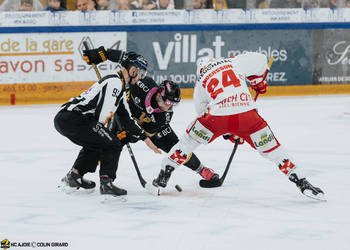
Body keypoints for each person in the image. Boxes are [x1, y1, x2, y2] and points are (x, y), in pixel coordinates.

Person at [152, 52, 325, 201]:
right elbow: (261, 59)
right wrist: (256, 82)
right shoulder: (233, 61)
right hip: (247, 115)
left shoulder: (201, 80)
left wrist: (226, 131)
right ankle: (301, 181)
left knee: (187, 142)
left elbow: (201, 112)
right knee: (273, 150)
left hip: (216, 116)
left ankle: (164, 173)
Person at [82, 46, 221, 184]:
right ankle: (79, 173)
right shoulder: (143, 83)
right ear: (160, 92)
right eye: (167, 101)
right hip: (123, 113)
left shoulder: (164, 116)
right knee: (103, 140)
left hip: (146, 129)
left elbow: (144, 133)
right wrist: (104, 54)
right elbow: (128, 60)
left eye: (172, 104)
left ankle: (202, 170)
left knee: (177, 148)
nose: (168, 106)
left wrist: (128, 136)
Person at [54, 52, 161, 197]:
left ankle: (74, 176)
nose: (141, 77)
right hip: (73, 118)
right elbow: (102, 116)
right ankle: (106, 183)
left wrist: (145, 138)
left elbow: (126, 118)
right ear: (133, 70)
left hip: (68, 118)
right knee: (113, 143)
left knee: (97, 142)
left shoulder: (121, 88)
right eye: (141, 73)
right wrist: (109, 136)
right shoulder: (115, 82)